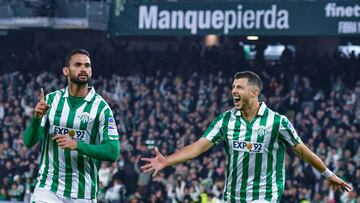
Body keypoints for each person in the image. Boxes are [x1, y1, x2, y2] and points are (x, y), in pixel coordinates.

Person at [141, 71, 352, 203]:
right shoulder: (226, 120)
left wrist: (327, 174)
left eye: (239, 87)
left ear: (254, 93)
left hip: (265, 196)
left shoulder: (277, 122)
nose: (234, 90)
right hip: (232, 197)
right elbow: (198, 147)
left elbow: (302, 151)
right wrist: (167, 160)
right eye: (233, 87)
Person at [24, 49, 120, 203]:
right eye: (78, 65)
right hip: (49, 188)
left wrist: (76, 145)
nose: (84, 69)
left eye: (87, 65)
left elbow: (113, 152)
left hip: (83, 192)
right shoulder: (51, 100)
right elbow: (28, 142)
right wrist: (36, 119)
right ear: (66, 71)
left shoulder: (101, 108)